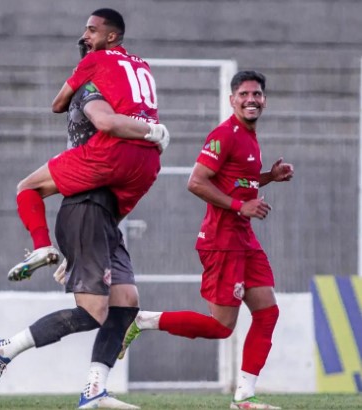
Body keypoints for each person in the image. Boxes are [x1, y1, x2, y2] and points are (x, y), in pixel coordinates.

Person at [0, 33, 168, 408]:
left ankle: (94, 390)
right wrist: (153, 132)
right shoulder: (93, 90)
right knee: (94, 310)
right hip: (85, 205)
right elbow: (105, 121)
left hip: (101, 215)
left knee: (126, 302)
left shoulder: (110, 87)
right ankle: (3, 349)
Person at [118, 71, 294, 410]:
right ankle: (143, 320)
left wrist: (268, 177)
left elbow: (237, 180)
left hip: (244, 240)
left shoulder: (249, 136)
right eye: (243, 94)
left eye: (256, 94)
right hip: (221, 241)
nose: (251, 99)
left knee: (267, 312)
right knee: (221, 327)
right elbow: (196, 182)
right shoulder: (224, 135)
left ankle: (244, 397)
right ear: (232, 100)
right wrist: (242, 206)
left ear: (265, 100)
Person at [8, 8, 164, 282]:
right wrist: (153, 131)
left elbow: (58, 105)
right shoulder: (143, 64)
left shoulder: (95, 61)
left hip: (113, 152)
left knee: (27, 188)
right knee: (108, 219)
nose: (85, 35)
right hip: (148, 162)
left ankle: (42, 247)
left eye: (92, 30)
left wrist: (82, 72)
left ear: (112, 36)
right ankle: (74, 258)